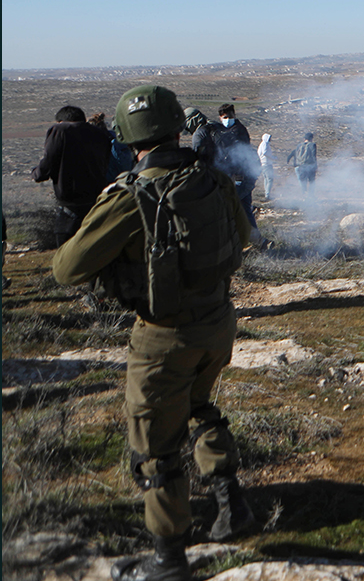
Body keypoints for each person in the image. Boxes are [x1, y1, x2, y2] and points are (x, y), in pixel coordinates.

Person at [52, 86, 256, 581]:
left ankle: (169, 560)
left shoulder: (130, 196)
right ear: (174, 126)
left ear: (128, 135)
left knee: (155, 448)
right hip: (218, 323)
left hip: (164, 337)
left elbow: (66, 268)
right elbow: (244, 237)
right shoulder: (212, 179)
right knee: (201, 407)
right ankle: (233, 506)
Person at [32, 105, 112, 245]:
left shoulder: (60, 131)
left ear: (61, 121)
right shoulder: (100, 134)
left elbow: (48, 163)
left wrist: (36, 173)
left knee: (65, 254)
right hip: (96, 203)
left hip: (70, 206)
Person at [287, 133, 318, 199]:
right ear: (311, 138)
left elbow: (294, 153)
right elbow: (313, 155)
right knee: (311, 181)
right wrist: (315, 165)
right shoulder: (312, 145)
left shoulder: (299, 145)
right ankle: (311, 196)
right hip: (310, 165)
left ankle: (304, 195)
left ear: (304, 138)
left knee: (303, 181)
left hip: (300, 166)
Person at [256, 134, 276, 201]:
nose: (270, 139)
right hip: (267, 164)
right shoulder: (265, 144)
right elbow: (265, 152)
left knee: (266, 179)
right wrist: (272, 158)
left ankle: (266, 194)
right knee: (270, 179)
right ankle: (267, 195)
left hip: (263, 164)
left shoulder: (261, 144)